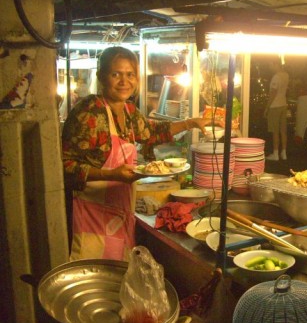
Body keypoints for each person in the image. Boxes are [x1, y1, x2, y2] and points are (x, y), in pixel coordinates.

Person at [62, 46, 219, 261]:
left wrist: (192, 122)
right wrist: (111, 175)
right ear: (101, 77)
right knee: (94, 278)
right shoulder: (88, 112)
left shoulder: (129, 111)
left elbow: (153, 132)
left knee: (118, 276)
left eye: (130, 75)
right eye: (115, 74)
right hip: (90, 215)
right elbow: (64, 165)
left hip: (119, 213)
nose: (124, 81)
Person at [264, 57, 289, 161]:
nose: (270, 67)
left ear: (275, 64)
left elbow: (273, 93)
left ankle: (275, 154)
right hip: (283, 104)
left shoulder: (276, 77)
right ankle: (284, 153)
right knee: (283, 131)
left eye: (271, 64)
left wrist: (267, 108)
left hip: (275, 106)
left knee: (275, 131)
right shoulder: (286, 75)